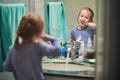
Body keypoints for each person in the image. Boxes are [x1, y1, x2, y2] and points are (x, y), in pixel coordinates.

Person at [3, 14, 61, 80]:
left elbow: (7, 67)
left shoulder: (13, 49)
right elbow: (57, 51)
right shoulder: (38, 46)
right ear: (39, 33)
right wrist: (53, 39)